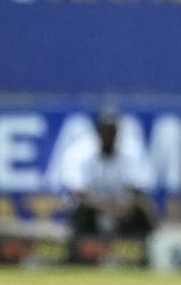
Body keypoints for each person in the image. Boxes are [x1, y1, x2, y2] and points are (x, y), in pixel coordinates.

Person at [65, 112, 157, 263]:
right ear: (98, 133)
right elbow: (80, 193)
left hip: (121, 207)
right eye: (105, 132)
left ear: (117, 134)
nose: (109, 136)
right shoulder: (80, 152)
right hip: (93, 207)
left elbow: (136, 189)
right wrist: (108, 207)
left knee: (144, 208)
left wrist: (125, 206)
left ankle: (143, 254)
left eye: (112, 132)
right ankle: (77, 254)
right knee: (79, 210)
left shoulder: (130, 152)